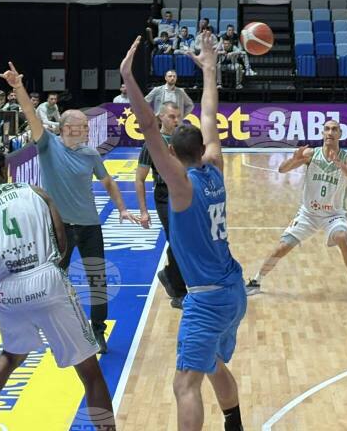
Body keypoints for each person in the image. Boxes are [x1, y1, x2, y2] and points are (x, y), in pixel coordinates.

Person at [120, 31, 246, 431]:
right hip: (234, 288)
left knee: (184, 384)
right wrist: (210, 69)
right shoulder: (215, 165)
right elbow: (209, 115)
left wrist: (128, 76)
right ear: (203, 149)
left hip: (207, 298)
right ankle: (234, 424)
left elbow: (147, 125)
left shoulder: (180, 185)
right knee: (212, 362)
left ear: (172, 154)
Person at [0, 146, 114, 431]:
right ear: (4, 169)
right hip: (46, 279)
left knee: (10, 355)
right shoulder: (36, 193)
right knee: (89, 370)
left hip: (6, 289)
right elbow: (62, 244)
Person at [0, 62, 139, 354]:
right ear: (65, 128)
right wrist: (18, 87)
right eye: (82, 126)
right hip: (58, 228)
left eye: (86, 126)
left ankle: (98, 331)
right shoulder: (48, 145)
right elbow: (30, 113)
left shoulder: (90, 154)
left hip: (90, 226)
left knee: (97, 280)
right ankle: (50, 326)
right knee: (53, 281)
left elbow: (108, 182)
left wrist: (122, 208)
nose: (86, 130)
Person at [245, 120, 347, 305]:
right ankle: (256, 281)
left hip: (334, 215)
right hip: (309, 214)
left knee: (342, 237)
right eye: (327, 129)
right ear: (322, 133)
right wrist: (294, 159)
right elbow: (282, 169)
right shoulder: (311, 154)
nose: (330, 132)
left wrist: (340, 165)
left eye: (334, 129)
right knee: (283, 247)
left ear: (340, 134)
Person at [135, 101, 187, 309]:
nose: (176, 120)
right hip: (165, 195)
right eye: (172, 116)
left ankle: (168, 274)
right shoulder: (151, 144)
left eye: (178, 116)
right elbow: (139, 179)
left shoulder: (183, 139)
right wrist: (143, 211)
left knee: (183, 240)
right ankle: (179, 293)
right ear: (160, 117)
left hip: (184, 192)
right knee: (176, 240)